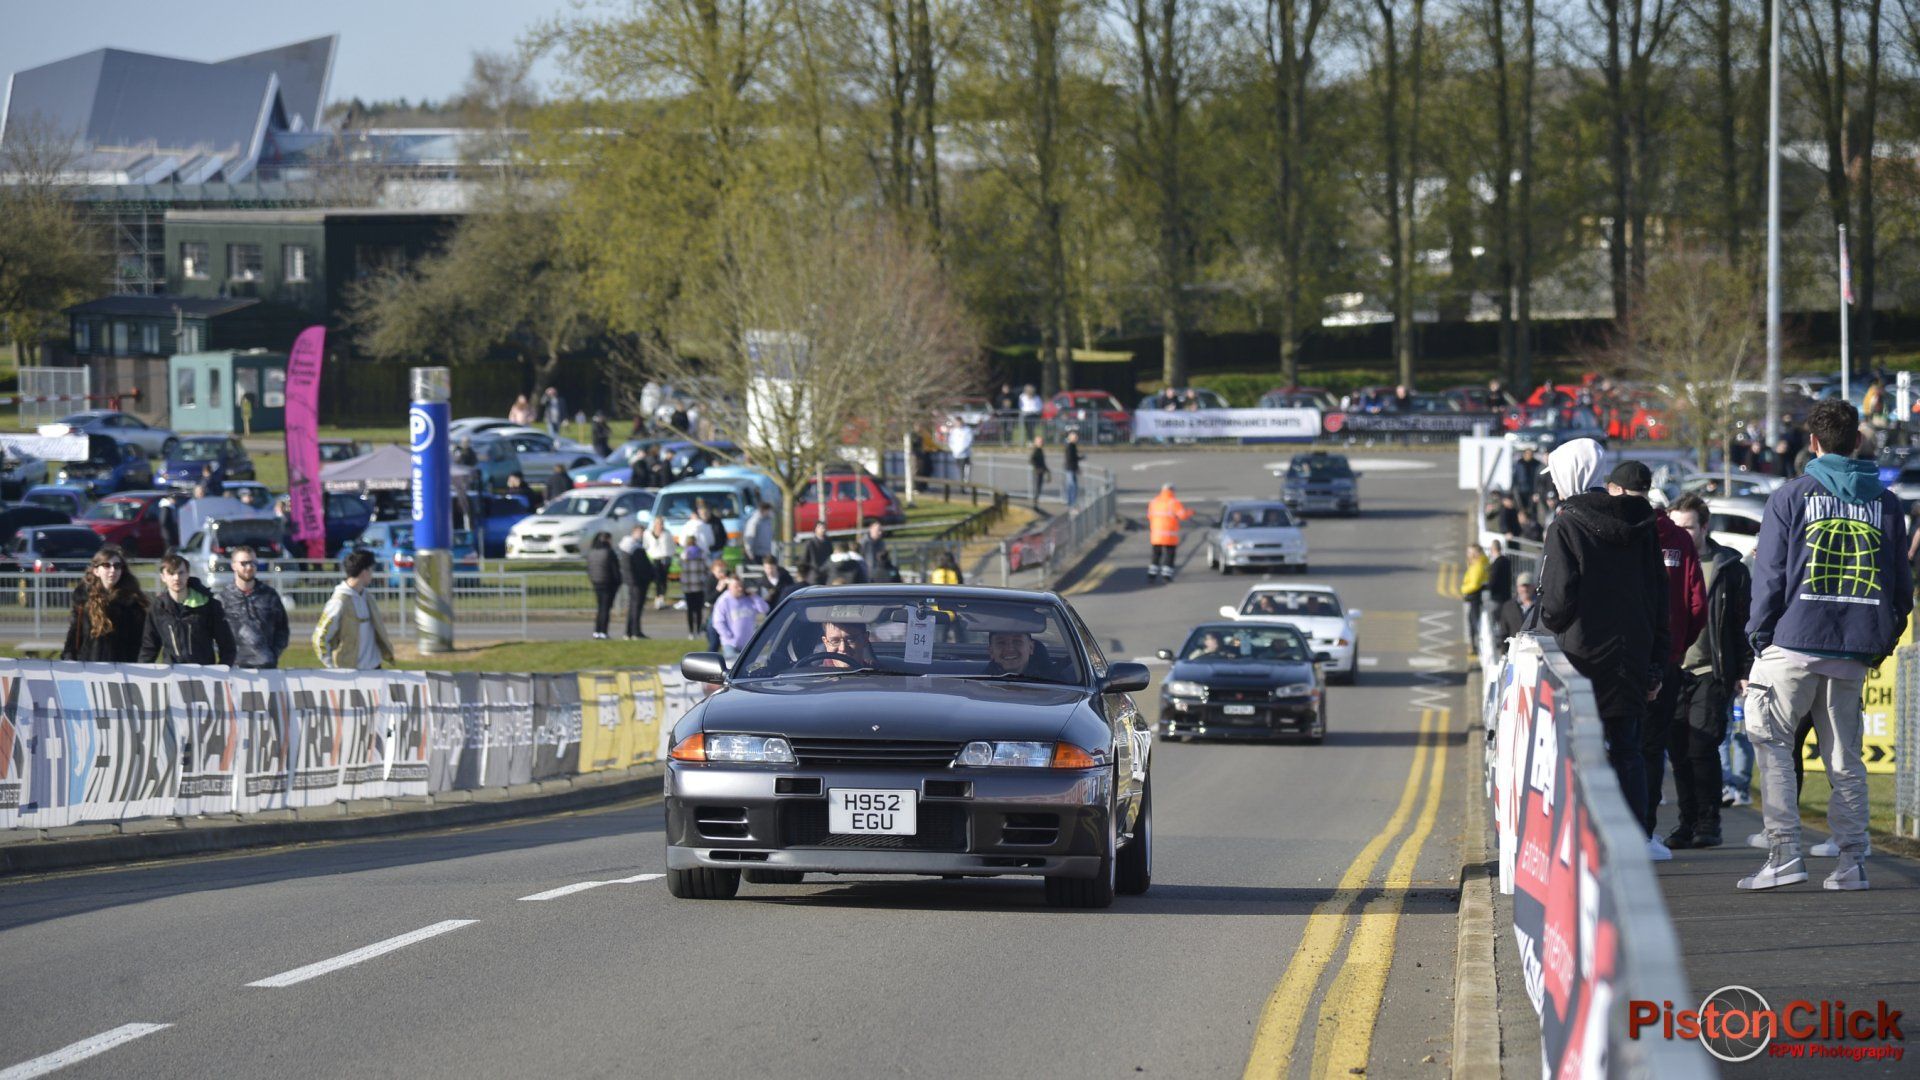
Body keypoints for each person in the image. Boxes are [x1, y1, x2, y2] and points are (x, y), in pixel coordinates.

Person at [1738, 400, 1912, 892]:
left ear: (1812, 444)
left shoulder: (1791, 496)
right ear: (1857, 440)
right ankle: (1853, 861)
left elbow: (1768, 576)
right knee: (1845, 760)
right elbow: (1901, 586)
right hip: (1852, 649)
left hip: (1792, 641)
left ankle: (1784, 854)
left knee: (1772, 747)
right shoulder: (1886, 503)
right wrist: (1879, 641)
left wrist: (1758, 635)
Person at [1536, 437, 1670, 857]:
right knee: (1628, 749)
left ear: (1566, 474)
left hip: (1581, 656)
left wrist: (1551, 622)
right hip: (1632, 652)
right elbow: (1657, 595)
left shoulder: (1566, 524)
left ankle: (1584, 839)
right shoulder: (1643, 521)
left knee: (1580, 751)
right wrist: (1655, 663)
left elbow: (1556, 603)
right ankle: (1636, 836)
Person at [1606, 460, 1706, 852]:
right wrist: (1678, 646)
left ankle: (1617, 830)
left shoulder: (1619, 531)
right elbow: (1697, 604)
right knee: (1650, 748)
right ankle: (1644, 832)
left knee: (1617, 744)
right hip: (1666, 658)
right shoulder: (1678, 539)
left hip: (1621, 658)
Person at [1663, 494, 1752, 850]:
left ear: (1704, 527)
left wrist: (1744, 669)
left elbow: (1741, 622)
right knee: (1678, 749)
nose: (1681, 533)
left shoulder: (1728, 567)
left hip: (1710, 670)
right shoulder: (1663, 560)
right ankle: (1687, 822)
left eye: (1687, 527)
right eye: (1675, 526)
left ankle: (1708, 821)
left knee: (1702, 745)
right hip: (1672, 670)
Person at [140, 554, 236, 666]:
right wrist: (142, 675)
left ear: (188, 574)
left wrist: (222, 671)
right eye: (171, 573)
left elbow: (227, 644)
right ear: (163, 577)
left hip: (204, 674)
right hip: (172, 675)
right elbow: (149, 647)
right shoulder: (157, 608)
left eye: (181, 573)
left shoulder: (209, 604)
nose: (176, 578)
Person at [62, 545, 148, 662]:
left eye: (117, 566)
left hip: (123, 669)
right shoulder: (83, 599)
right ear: (96, 571)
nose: (113, 570)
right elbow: (74, 634)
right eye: (107, 565)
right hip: (89, 666)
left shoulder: (133, 602)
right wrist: (69, 659)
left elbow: (140, 641)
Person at [313, 550, 396, 670]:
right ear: (364, 572)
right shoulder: (339, 602)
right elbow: (320, 637)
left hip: (375, 668)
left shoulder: (368, 598)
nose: (372, 574)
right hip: (350, 673)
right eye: (371, 570)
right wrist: (331, 667)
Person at [218, 545, 289, 668]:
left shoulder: (269, 595)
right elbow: (214, 635)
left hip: (267, 668)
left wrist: (273, 654)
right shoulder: (222, 599)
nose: (249, 567)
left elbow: (282, 630)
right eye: (244, 563)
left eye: (253, 563)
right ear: (233, 565)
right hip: (235, 670)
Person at [712, 576, 770, 665]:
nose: (740, 589)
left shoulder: (749, 599)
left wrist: (754, 596)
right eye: (736, 587)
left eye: (741, 586)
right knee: (732, 666)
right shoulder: (724, 601)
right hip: (731, 644)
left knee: (748, 668)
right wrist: (729, 636)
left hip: (747, 644)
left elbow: (764, 609)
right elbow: (718, 621)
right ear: (729, 587)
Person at [1146, 483, 1193, 583]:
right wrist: (1190, 512)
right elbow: (1182, 515)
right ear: (1172, 491)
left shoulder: (1154, 502)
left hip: (1156, 534)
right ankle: (1166, 575)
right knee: (1169, 554)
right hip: (1169, 534)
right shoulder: (1174, 502)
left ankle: (1152, 575)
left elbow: (1149, 516)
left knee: (1156, 554)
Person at [618, 524, 654, 639]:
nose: (641, 535)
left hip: (637, 581)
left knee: (635, 607)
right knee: (635, 607)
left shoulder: (635, 546)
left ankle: (630, 631)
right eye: (639, 532)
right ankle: (634, 631)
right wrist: (634, 580)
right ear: (634, 532)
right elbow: (631, 567)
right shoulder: (630, 546)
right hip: (636, 582)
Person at [586, 532, 621, 640]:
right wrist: (618, 581)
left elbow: (589, 569)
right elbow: (615, 569)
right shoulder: (609, 552)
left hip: (597, 582)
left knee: (600, 608)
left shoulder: (592, 552)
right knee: (605, 609)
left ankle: (597, 630)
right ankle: (603, 631)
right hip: (607, 583)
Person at [987, 629, 1052, 679]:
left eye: (1017, 641)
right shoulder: (980, 687)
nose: (1010, 649)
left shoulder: (1053, 683)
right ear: (991, 651)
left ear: (1031, 648)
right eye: (1001, 643)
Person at [1460, 544, 1489, 654]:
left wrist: (1463, 588)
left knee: (1473, 622)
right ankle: (1473, 645)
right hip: (1475, 598)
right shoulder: (1478, 563)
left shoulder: (1478, 566)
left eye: (1470, 552)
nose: (1468, 555)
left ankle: (1474, 646)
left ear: (1475, 554)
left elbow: (1474, 584)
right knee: (1473, 622)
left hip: (1473, 598)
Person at [679, 535, 711, 635]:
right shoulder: (702, 553)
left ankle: (691, 632)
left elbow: (680, 566)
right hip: (699, 584)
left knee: (690, 609)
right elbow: (708, 566)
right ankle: (698, 630)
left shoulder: (684, 554)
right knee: (698, 609)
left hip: (687, 585)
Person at [1495, 573, 1537, 647]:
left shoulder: (1541, 606)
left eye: (1527, 586)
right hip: (1515, 650)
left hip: (1535, 650)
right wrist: (1504, 652)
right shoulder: (1508, 607)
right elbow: (1504, 632)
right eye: (1522, 586)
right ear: (1517, 587)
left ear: (1533, 587)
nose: (1525, 589)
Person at [645, 516, 676, 609]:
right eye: (658, 523)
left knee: (663, 579)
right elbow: (645, 545)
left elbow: (672, 546)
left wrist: (671, 556)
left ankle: (661, 597)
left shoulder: (667, 533)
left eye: (661, 523)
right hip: (654, 559)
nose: (660, 525)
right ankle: (656, 596)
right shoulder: (648, 533)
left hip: (665, 558)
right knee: (656, 579)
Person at [860, 517, 899, 583]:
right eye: (878, 530)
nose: (880, 533)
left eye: (881, 530)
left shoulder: (881, 542)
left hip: (879, 574)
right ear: (871, 529)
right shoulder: (863, 543)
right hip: (867, 575)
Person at [1062, 429, 1083, 507]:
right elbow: (1071, 458)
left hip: (1072, 468)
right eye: (1075, 437)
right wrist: (1076, 467)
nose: (1077, 439)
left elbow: (1074, 458)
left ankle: (1072, 502)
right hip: (1070, 468)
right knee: (1072, 486)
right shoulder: (1070, 446)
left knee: (1073, 485)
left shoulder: (1072, 446)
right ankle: (1071, 502)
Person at [1028, 434, 1049, 506]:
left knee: (1039, 488)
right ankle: (1035, 503)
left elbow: (1042, 461)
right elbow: (1031, 460)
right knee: (1037, 487)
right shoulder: (1036, 450)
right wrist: (1037, 468)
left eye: (1042, 442)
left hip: (1041, 471)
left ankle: (1036, 502)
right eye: (1040, 442)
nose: (1041, 443)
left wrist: (1046, 469)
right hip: (1037, 472)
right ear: (1036, 443)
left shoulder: (1040, 450)